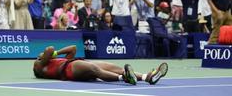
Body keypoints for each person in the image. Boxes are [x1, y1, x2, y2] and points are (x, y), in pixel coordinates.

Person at [33, 45, 168, 85]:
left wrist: (57, 53)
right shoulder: (39, 66)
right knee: (95, 69)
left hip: (75, 64)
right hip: (69, 71)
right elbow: (49, 49)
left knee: (113, 67)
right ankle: (125, 78)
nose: (42, 54)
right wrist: (52, 53)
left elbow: (73, 48)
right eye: (41, 56)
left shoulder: (54, 60)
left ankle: (147, 77)